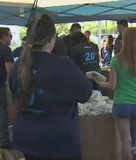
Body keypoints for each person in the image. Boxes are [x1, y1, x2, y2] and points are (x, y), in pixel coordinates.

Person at [9, 13, 93, 160]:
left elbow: (15, 94)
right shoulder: (62, 66)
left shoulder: (18, 66)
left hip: (27, 139)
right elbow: (86, 94)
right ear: (51, 38)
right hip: (58, 143)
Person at [96, 27, 136, 160]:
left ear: (124, 41)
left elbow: (112, 85)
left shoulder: (116, 60)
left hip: (121, 103)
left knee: (125, 141)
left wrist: (100, 83)